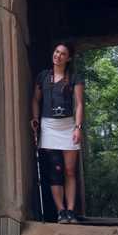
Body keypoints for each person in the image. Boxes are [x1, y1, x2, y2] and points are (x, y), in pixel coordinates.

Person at [30, 42, 84, 224]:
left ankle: (70, 211)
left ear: (68, 58)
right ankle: (60, 211)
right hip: (49, 126)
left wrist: (78, 127)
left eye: (62, 54)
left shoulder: (74, 78)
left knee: (69, 170)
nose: (58, 56)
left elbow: (79, 104)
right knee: (55, 170)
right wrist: (35, 119)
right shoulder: (43, 77)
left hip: (68, 125)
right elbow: (36, 100)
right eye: (56, 52)